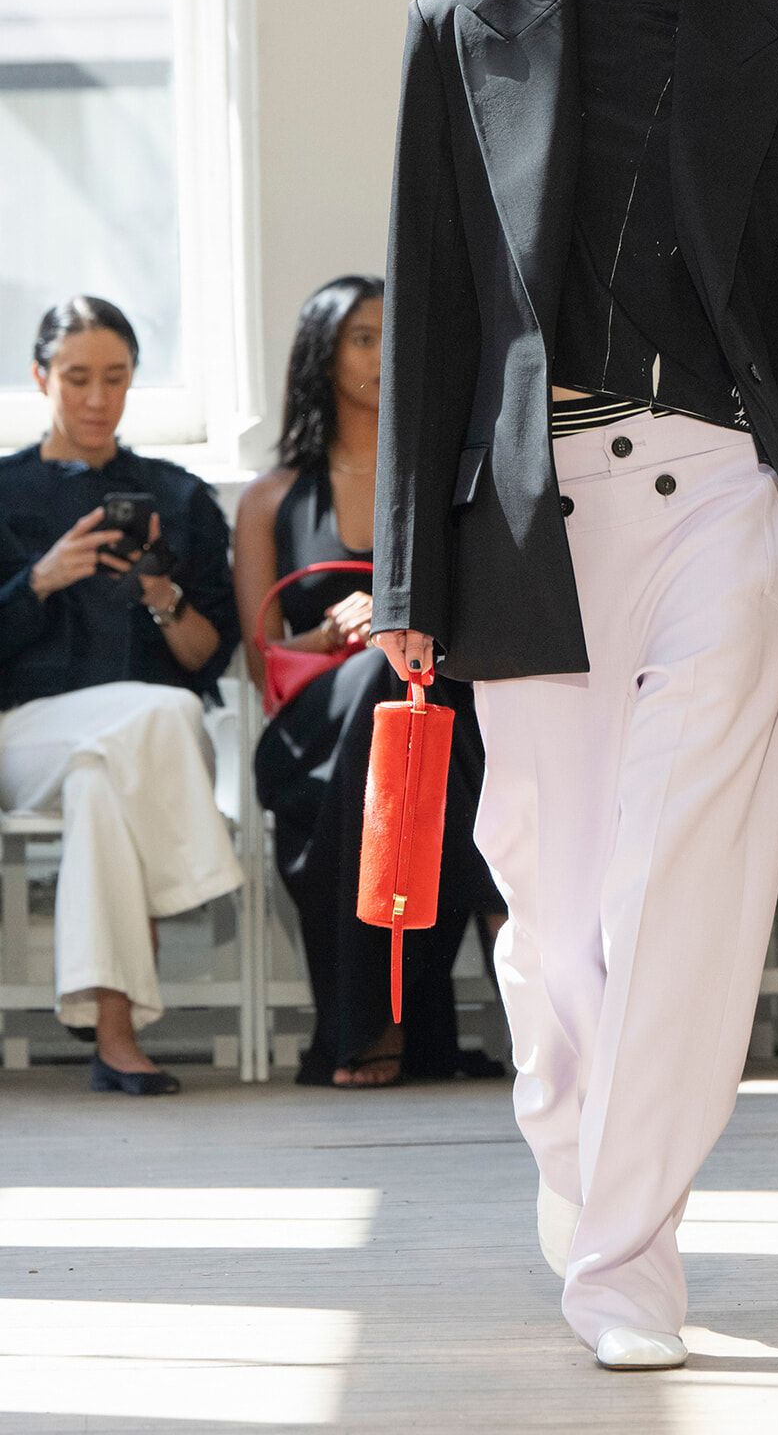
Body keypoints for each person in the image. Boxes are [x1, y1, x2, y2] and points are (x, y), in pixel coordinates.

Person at [370, 0, 778, 1370]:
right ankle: (595, 1178)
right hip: (534, 511)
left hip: (731, 499)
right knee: (554, 898)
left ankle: (629, 1254)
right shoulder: (461, 32)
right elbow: (436, 320)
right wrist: (404, 578)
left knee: (684, 884)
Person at [234, 276, 506, 1088]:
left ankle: (376, 1020)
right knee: (382, 693)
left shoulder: (455, 477)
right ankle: (505, 995)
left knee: (418, 705)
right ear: (323, 355)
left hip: (439, 710)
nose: (385, 354)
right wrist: (340, 631)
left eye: (398, 336)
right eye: (363, 336)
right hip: (317, 733)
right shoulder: (271, 498)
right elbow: (263, 663)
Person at [0, 296, 243, 1094]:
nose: (98, 398)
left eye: (115, 377)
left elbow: (209, 657)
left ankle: (114, 1037)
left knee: (104, 779)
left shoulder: (177, 496)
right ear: (41, 377)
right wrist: (41, 579)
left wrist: (163, 596)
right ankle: (194, 882)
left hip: (140, 755)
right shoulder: (3, 492)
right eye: (77, 379)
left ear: (135, 380)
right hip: (26, 735)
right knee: (158, 713)